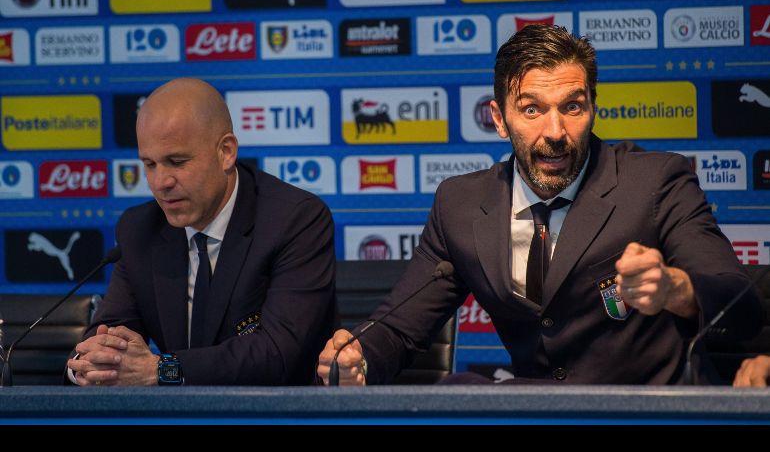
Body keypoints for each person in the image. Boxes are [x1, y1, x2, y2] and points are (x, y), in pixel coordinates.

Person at [317, 24, 763, 386]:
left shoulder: (655, 180)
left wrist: (675, 289)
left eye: (572, 106)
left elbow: (738, 298)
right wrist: (360, 358)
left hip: (641, 413)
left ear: (591, 107)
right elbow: (399, 328)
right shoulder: (461, 203)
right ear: (498, 119)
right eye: (532, 110)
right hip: (534, 412)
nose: (555, 131)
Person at [67, 78, 337, 386]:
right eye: (150, 164)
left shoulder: (294, 220)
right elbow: (109, 331)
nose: (160, 182)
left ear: (225, 152)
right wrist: (89, 364)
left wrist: (160, 370)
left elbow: (278, 354)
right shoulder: (139, 229)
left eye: (176, 162)